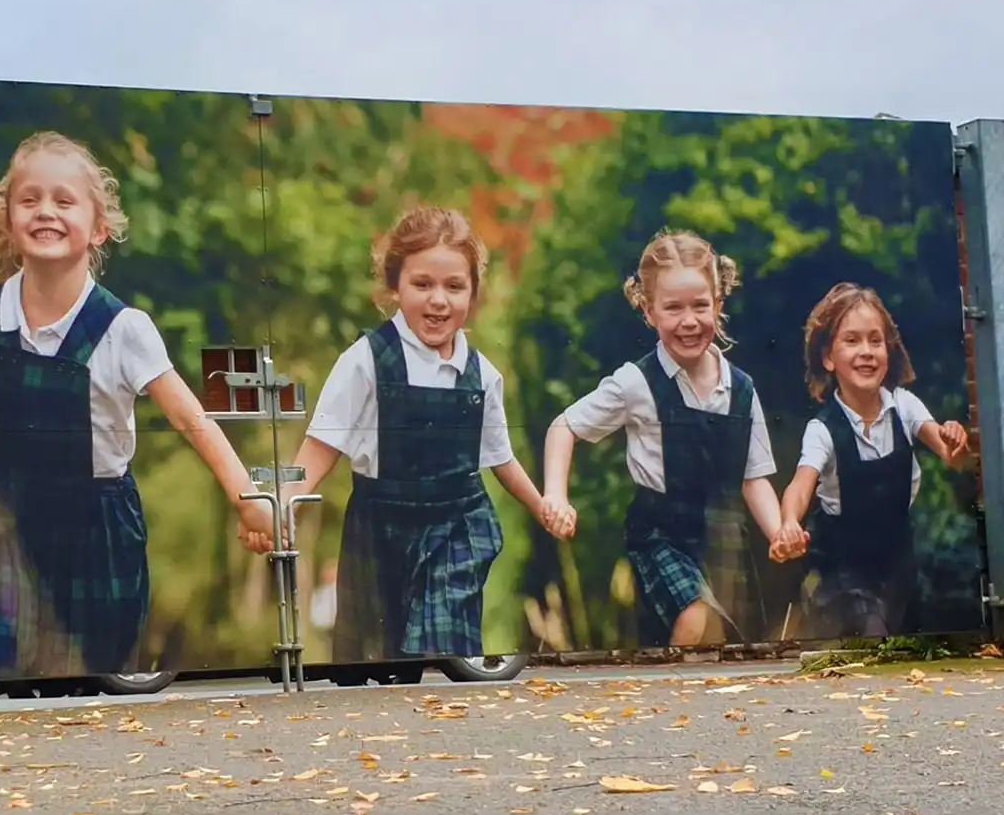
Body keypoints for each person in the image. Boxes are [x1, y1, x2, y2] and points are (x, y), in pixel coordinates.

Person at [0, 130, 274, 680]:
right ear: (9, 219)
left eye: (64, 201)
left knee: (94, 680)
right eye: (30, 199)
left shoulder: (123, 328)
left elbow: (192, 419)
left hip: (98, 526)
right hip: (12, 521)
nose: (46, 211)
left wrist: (248, 499)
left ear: (99, 229)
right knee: (0, 677)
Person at [285, 206, 552, 663]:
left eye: (454, 287)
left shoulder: (482, 376)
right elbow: (321, 447)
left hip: (457, 527)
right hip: (381, 529)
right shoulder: (365, 361)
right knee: (380, 664)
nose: (439, 301)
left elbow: (500, 459)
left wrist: (543, 506)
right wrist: (280, 505)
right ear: (395, 286)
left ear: (473, 293)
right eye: (422, 284)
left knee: (439, 642)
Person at [541, 229, 803, 648]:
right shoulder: (636, 383)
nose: (689, 320)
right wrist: (555, 495)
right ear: (648, 311)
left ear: (718, 304)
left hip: (724, 542)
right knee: (696, 619)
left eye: (700, 305)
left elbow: (754, 478)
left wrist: (777, 532)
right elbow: (564, 426)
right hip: (660, 536)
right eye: (673, 308)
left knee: (730, 649)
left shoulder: (742, 389)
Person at [777, 282, 969, 638]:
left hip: (898, 564)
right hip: (841, 573)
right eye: (851, 341)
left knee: (901, 648)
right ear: (828, 357)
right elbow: (801, 486)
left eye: (875, 341)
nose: (866, 351)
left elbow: (952, 456)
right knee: (870, 631)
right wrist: (788, 522)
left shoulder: (905, 407)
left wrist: (955, 441)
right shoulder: (822, 430)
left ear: (888, 351)